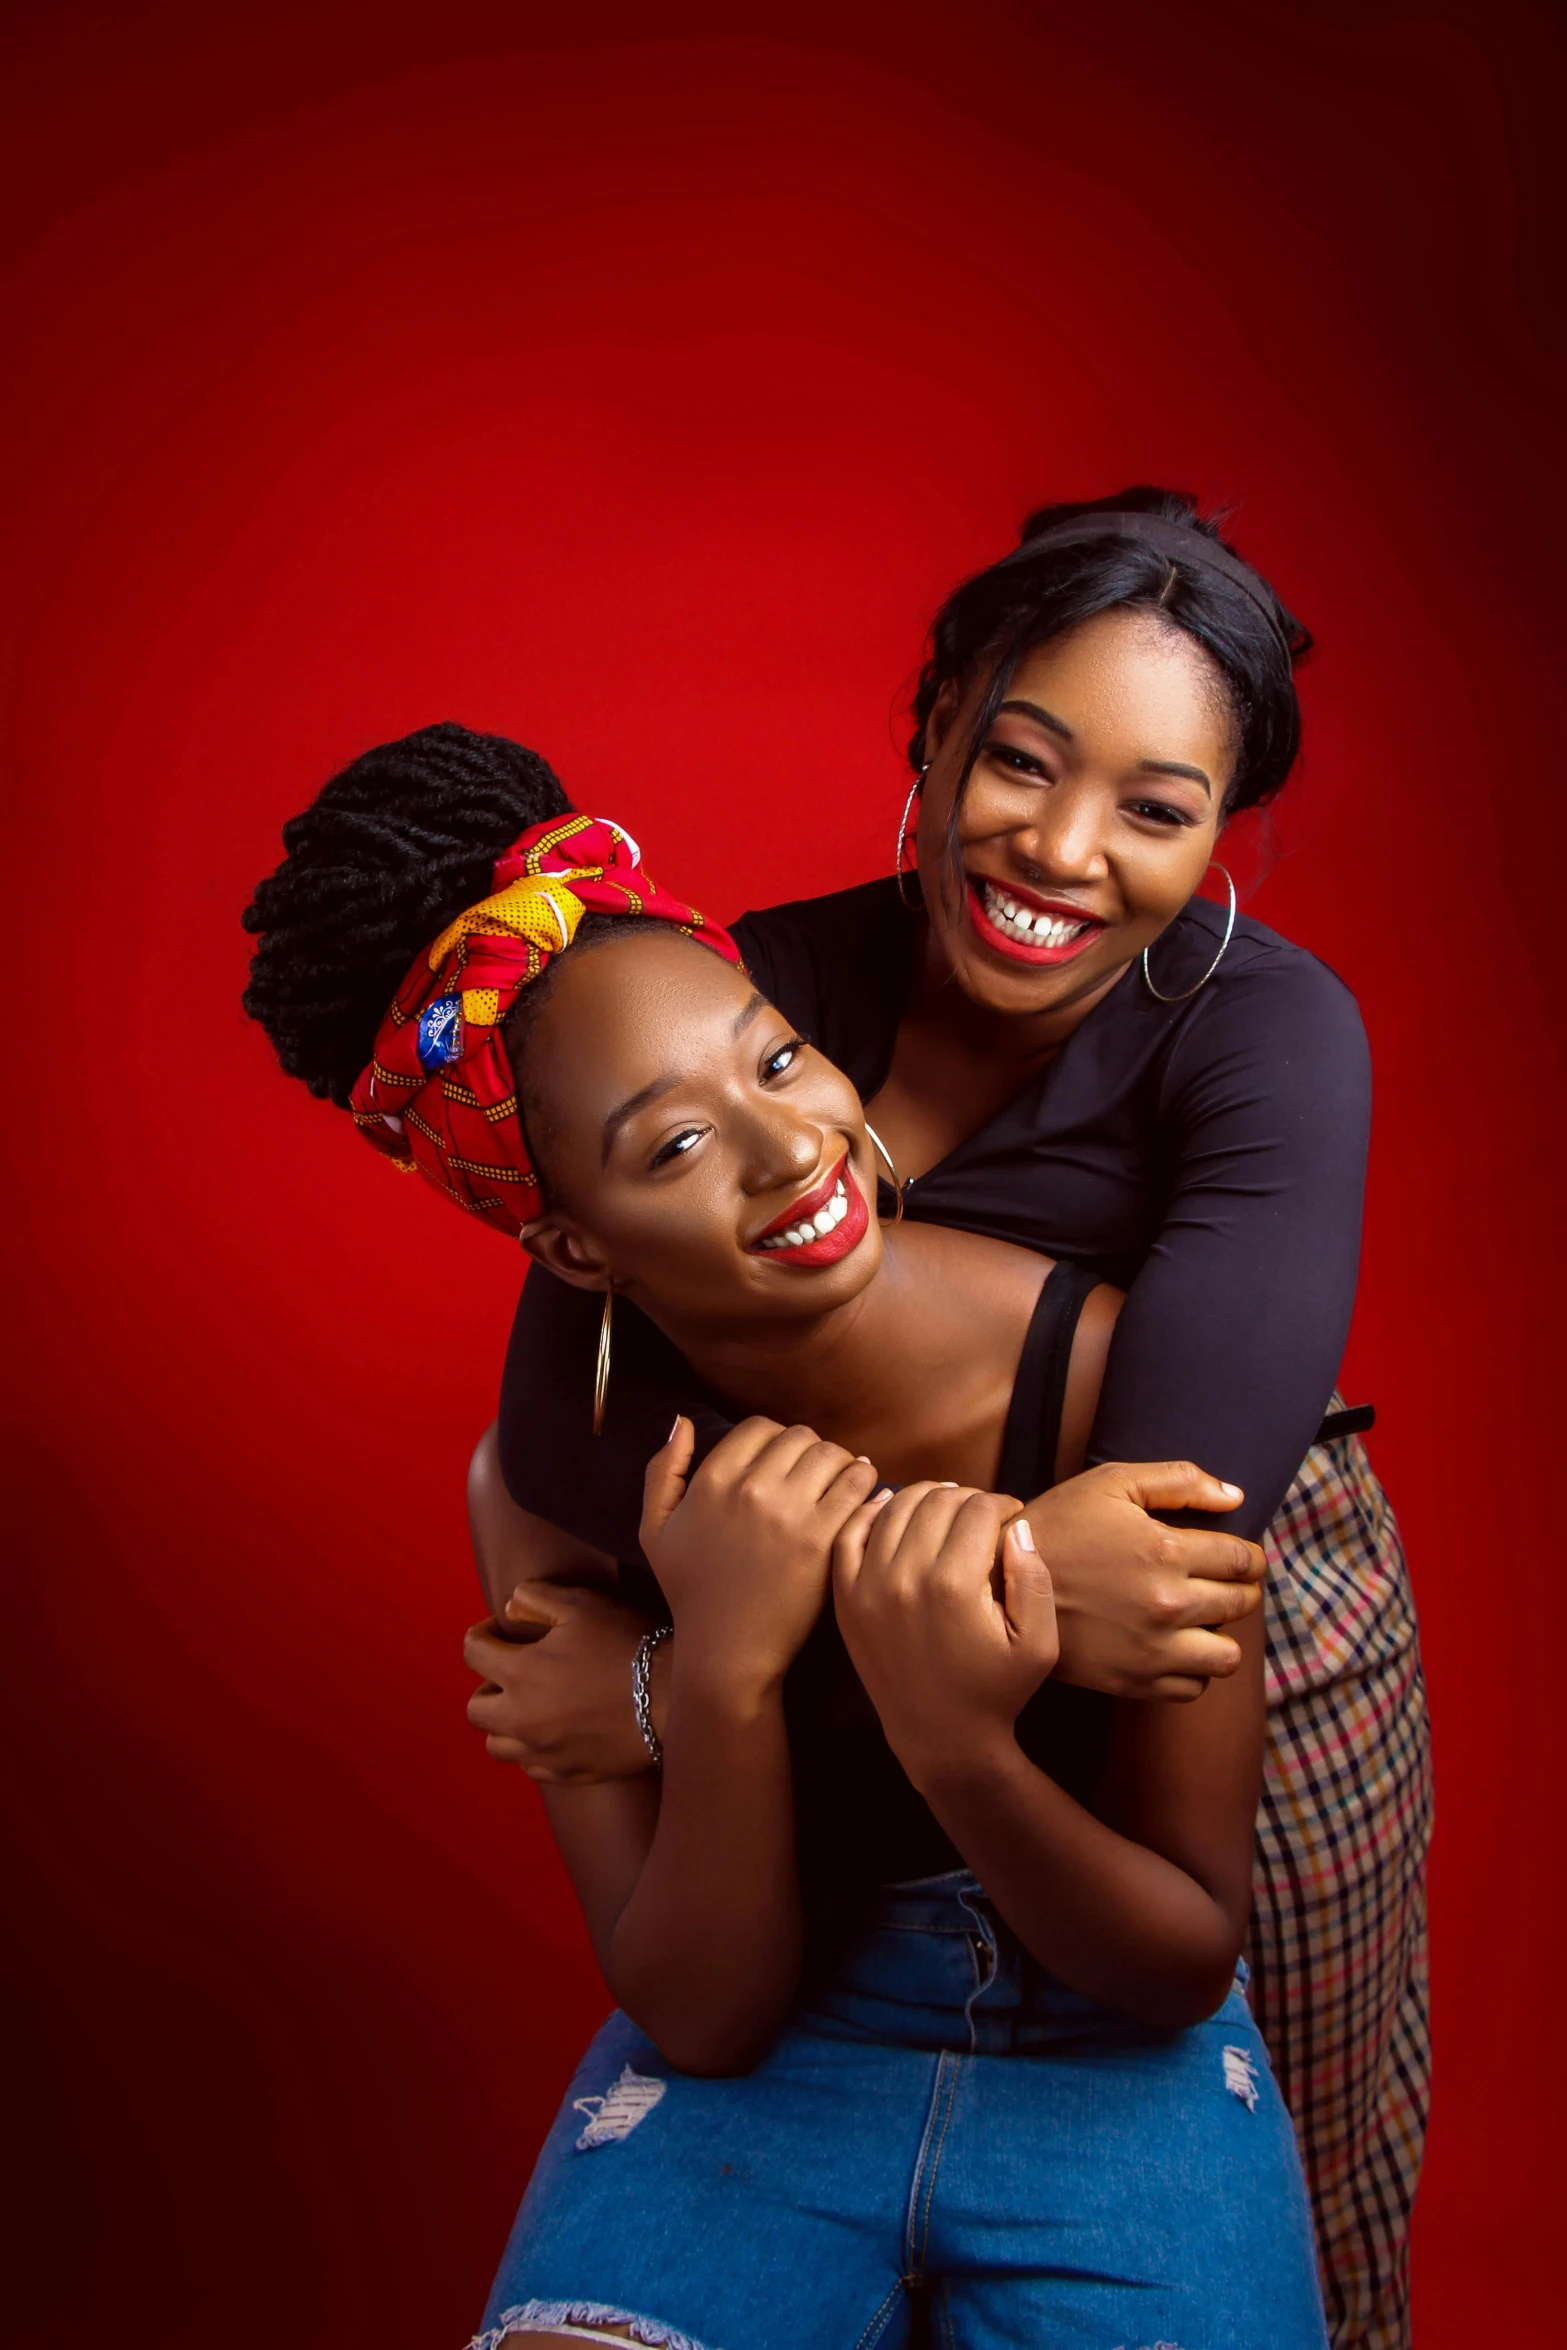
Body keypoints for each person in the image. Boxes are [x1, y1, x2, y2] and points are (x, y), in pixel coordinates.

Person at [464, 493, 1430, 2350]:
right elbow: (570, 1452)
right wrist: (938, 1576)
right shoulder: (766, 985)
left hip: (1249, 1647)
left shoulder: (1265, 1035)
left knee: (1297, 2220)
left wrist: (669, 1674)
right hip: (841, 1688)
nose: (1062, 851)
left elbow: (1173, 1512)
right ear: (934, 733)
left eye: (1155, 807)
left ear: (1218, 836)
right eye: (1020, 761)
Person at [243, 784, 1328, 2350]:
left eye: (773, 1055)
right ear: (576, 1248)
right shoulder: (548, 1487)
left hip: (1107, 2059)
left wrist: (949, 1732)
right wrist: (730, 1672)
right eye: (675, 1143)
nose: (788, 1147)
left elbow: (1173, 1953)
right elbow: (702, 2011)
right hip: (779, 2060)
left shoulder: (1114, 1378)